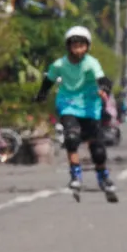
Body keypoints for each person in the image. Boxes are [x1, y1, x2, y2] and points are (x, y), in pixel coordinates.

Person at [36, 25, 115, 202]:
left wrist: (104, 89)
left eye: (82, 46)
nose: (78, 50)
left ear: (87, 46)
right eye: (75, 45)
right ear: (68, 46)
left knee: (98, 151)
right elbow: (48, 80)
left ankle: (103, 176)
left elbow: (102, 79)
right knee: (72, 138)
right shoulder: (59, 64)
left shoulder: (91, 63)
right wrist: (41, 95)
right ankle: (75, 174)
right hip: (68, 105)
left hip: (90, 108)